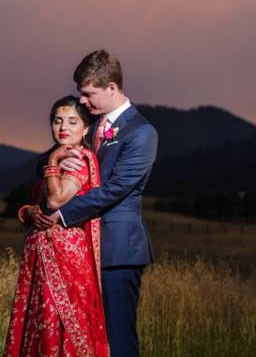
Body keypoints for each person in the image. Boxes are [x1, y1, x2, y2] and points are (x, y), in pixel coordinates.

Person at [28, 50, 158, 357]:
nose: (83, 101)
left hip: (118, 249)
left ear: (111, 88)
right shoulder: (92, 125)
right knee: (89, 336)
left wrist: (61, 214)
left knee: (118, 336)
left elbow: (117, 189)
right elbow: (50, 163)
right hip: (84, 249)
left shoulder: (142, 133)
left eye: (88, 94)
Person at [3, 96, 109, 357]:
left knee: (60, 323)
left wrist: (52, 162)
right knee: (40, 323)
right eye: (57, 120)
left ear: (85, 129)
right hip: (40, 260)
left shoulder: (80, 160)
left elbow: (55, 199)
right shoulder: (59, 158)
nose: (63, 127)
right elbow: (37, 205)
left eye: (73, 121)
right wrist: (27, 212)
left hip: (67, 262)